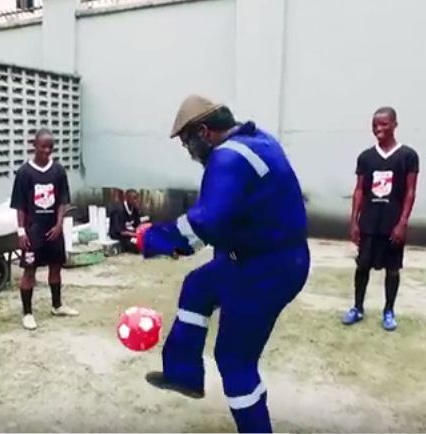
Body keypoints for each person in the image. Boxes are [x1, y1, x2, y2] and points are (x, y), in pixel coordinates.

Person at [138, 95, 310, 433]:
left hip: (265, 270)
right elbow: (236, 213)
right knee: (198, 287)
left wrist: (153, 239)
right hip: (262, 258)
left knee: (235, 360)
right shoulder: (258, 141)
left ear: (203, 132)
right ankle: (183, 374)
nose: (188, 151)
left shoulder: (226, 158)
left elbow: (207, 221)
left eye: (187, 142)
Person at [343, 107, 419, 331]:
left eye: (384, 124)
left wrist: (402, 222)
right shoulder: (366, 157)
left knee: (392, 269)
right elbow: (359, 190)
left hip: (392, 222)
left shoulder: (408, 156)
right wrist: (354, 221)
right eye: (375, 125)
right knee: (362, 266)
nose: (378, 129)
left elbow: (410, 191)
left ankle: (389, 310)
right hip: (369, 221)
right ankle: (357, 307)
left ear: (395, 124)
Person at [11, 128, 79, 330]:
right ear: (34, 146)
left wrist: (59, 224)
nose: (47, 151)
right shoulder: (24, 173)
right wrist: (21, 231)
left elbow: (62, 201)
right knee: (29, 271)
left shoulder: (58, 171)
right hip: (33, 231)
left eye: (50, 147)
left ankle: (57, 305)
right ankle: (27, 313)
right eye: (43, 147)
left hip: (53, 230)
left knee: (56, 267)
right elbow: (20, 206)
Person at [108, 189, 144, 253]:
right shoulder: (119, 211)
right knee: (136, 246)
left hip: (131, 233)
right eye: (134, 199)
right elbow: (121, 232)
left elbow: (138, 225)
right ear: (127, 199)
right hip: (120, 235)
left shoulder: (135, 210)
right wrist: (135, 235)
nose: (137, 201)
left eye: (137, 198)